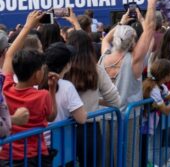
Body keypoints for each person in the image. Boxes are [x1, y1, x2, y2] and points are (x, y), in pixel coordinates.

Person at [0, 10, 58, 166]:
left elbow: (10, 55)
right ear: (37, 74)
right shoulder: (43, 95)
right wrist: (52, 89)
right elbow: (51, 116)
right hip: (35, 156)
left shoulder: (5, 87)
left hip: (8, 156)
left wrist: (27, 27)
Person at [66, 30, 121, 167]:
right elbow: (116, 101)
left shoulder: (61, 70)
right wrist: (96, 100)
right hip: (89, 128)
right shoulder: (96, 70)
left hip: (64, 128)